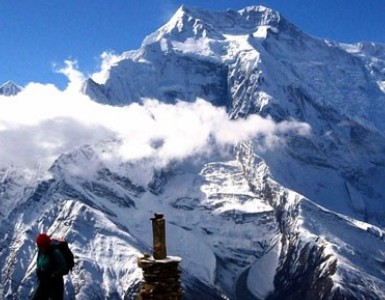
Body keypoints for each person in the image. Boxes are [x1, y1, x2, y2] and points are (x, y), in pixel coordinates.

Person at [32, 233, 67, 300]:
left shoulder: (55, 252)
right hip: (44, 282)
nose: (40, 248)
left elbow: (64, 268)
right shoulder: (41, 252)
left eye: (41, 246)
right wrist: (39, 271)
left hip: (56, 283)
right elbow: (39, 263)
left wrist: (53, 275)